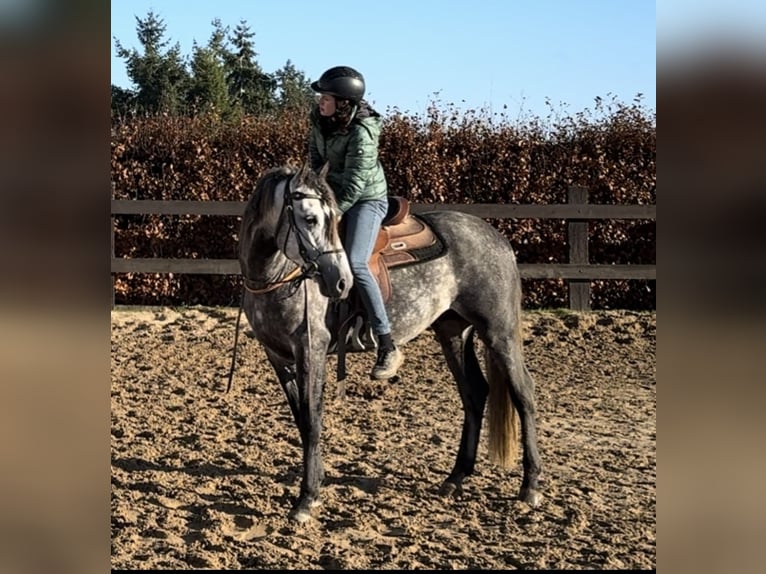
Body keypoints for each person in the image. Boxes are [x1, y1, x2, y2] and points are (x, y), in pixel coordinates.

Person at [308, 65, 404, 380]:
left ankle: (387, 344)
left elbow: (354, 186)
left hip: (366, 199)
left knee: (355, 262)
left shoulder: (363, 131)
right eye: (321, 96)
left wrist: (332, 212)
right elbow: (314, 163)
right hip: (335, 194)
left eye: (326, 97)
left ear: (343, 103)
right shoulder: (319, 120)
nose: (321, 101)